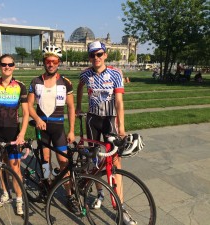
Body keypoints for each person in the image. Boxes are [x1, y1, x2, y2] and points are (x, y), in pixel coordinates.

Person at [76, 41, 136, 225]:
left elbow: (119, 102)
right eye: (92, 55)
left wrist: (122, 128)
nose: (96, 58)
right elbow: (79, 87)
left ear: (105, 55)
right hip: (93, 120)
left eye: (99, 54)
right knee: (94, 160)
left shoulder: (116, 73)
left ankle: (121, 208)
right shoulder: (86, 74)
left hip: (110, 121)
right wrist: (79, 106)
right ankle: (100, 192)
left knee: (115, 162)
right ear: (89, 57)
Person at [27, 45, 78, 213]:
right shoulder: (35, 81)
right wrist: (37, 118)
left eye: (54, 61)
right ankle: (46, 186)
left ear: (59, 63)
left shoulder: (65, 82)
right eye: (48, 61)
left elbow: (71, 108)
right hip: (43, 128)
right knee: (45, 161)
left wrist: (71, 130)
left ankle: (69, 195)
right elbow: (29, 106)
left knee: (64, 163)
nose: (51, 64)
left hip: (58, 128)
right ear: (44, 62)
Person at [0, 54, 29, 215]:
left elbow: (26, 113)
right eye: (4, 64)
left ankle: (20, 199)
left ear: (14, 66)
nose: (7, 67)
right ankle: (4, 193)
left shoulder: (20, 86)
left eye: (10, 64)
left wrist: (22, 134)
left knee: (15, 168)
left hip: (12, 132)